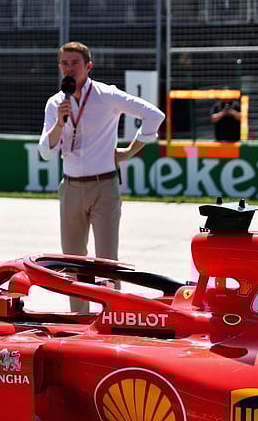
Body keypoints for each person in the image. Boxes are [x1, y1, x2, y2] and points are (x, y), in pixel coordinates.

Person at [38, 41, 164, 314]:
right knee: (72, 262)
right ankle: (79, 319)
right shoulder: (55, 103)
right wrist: (60, 123)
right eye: (64, 63)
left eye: (75, 63)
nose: (69, 68)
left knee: (107, 262)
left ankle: (110, 318)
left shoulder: (107, 95)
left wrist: (130, 151)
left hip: (104, 186)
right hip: (70, 188)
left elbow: (154, 115)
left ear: (88, 67)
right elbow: (46, 153)